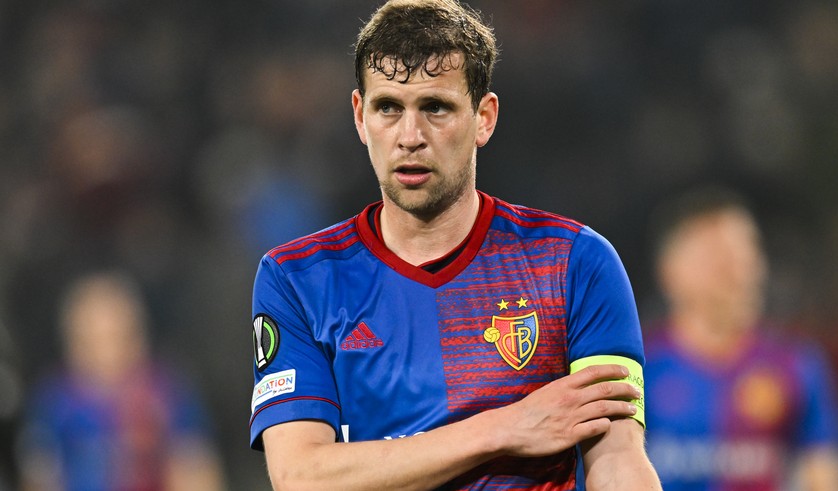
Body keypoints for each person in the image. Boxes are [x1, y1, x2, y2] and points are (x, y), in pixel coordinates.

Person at [248, 1, 660, 489]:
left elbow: (618, 462)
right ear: (360, 117)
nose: (410, 136)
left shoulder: (575, 262)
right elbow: (301, 477)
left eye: (435, 107)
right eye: (388, 108)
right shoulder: (297, 277)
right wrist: (502, 427)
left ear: (484, 117)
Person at [643, 187, 838, 491]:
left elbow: (825, 478)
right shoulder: (636, 370)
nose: (740, 270)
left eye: (748, 252)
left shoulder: (797, 364)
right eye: (719, 256)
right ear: (670, 271)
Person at [17, 271, 226, 491]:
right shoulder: (54, 402)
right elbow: (38, 476)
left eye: (117, 336)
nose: (108, 354)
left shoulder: (167, 394)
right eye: (94, 340)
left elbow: (198, 468)